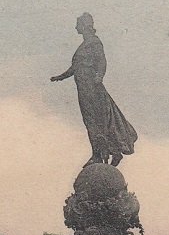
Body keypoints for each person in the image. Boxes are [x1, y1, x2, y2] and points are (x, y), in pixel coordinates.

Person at [51, 13, 137, 166]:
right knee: (91, 121)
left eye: (78, 24)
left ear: (85, 26)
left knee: (98, 121)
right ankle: (101, 152)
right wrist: (61, 77)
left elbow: (102, 61)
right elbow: (75, 67)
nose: (75, 27)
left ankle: (103, 153)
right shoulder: (84, 46)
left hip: (92, 87)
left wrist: (99, 76)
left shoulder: (94, 43)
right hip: (83, 88)